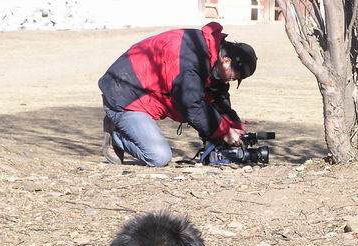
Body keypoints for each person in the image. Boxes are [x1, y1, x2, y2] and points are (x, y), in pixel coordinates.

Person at [98, 21, 257, 167]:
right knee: (159, 157)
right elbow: (191, 105)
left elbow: (218, 98)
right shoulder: (189, 58)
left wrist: (234, 127)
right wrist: (223, 131)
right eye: (233, 76)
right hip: (123, 96)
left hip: (145, 95)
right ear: (227, 61)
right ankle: (117, 134)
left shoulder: (210, 55)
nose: (230, 81)